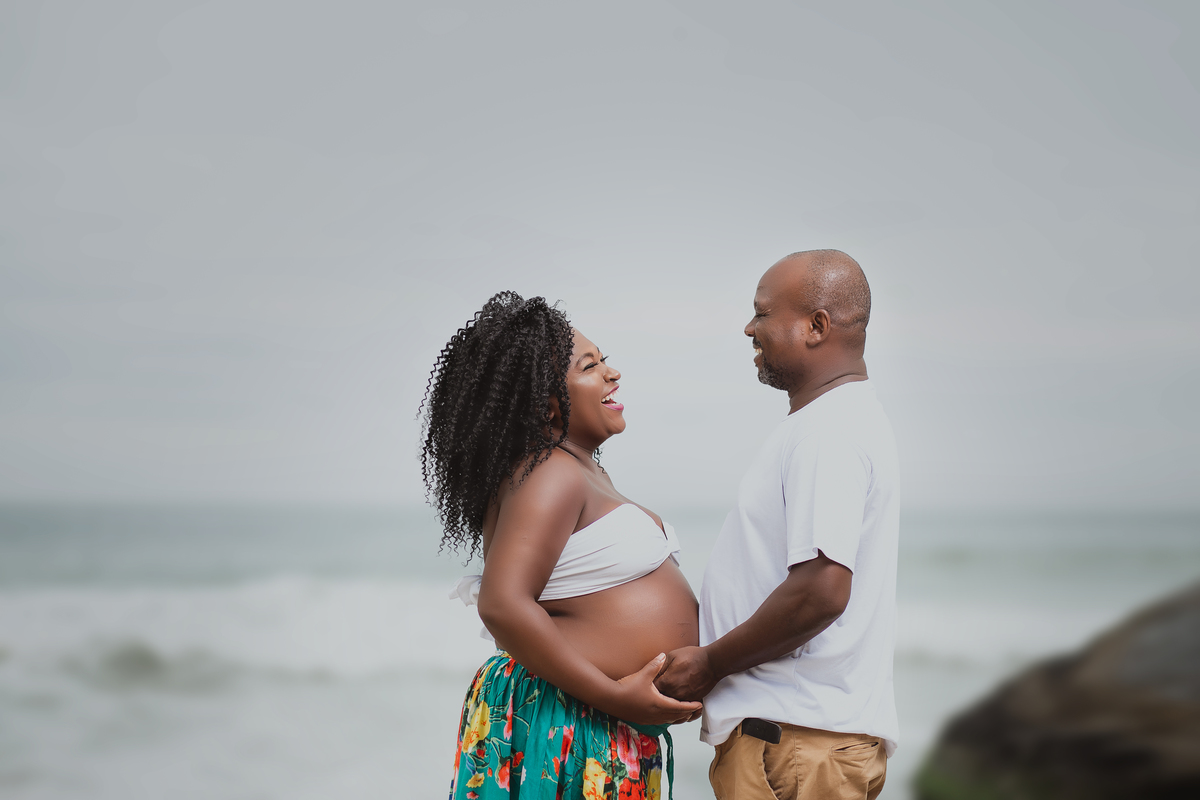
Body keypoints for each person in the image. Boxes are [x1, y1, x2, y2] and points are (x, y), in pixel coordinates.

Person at [420, 292, 702, 800]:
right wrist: (615, 696)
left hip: (594, 717)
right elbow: (503, 604)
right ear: (545, 403)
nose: (613, 373)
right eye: (590, 367)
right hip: (564, 719)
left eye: (604, 360)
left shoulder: (577, 469)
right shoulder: (550, 473)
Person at [655, 250, 899, 800]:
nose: (749, 328)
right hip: (801, 741)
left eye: (763, 313)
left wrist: (711, 663)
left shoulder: (829, 432)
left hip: (796, 746)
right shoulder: (832, 422)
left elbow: (821, 591)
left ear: (817, 326)